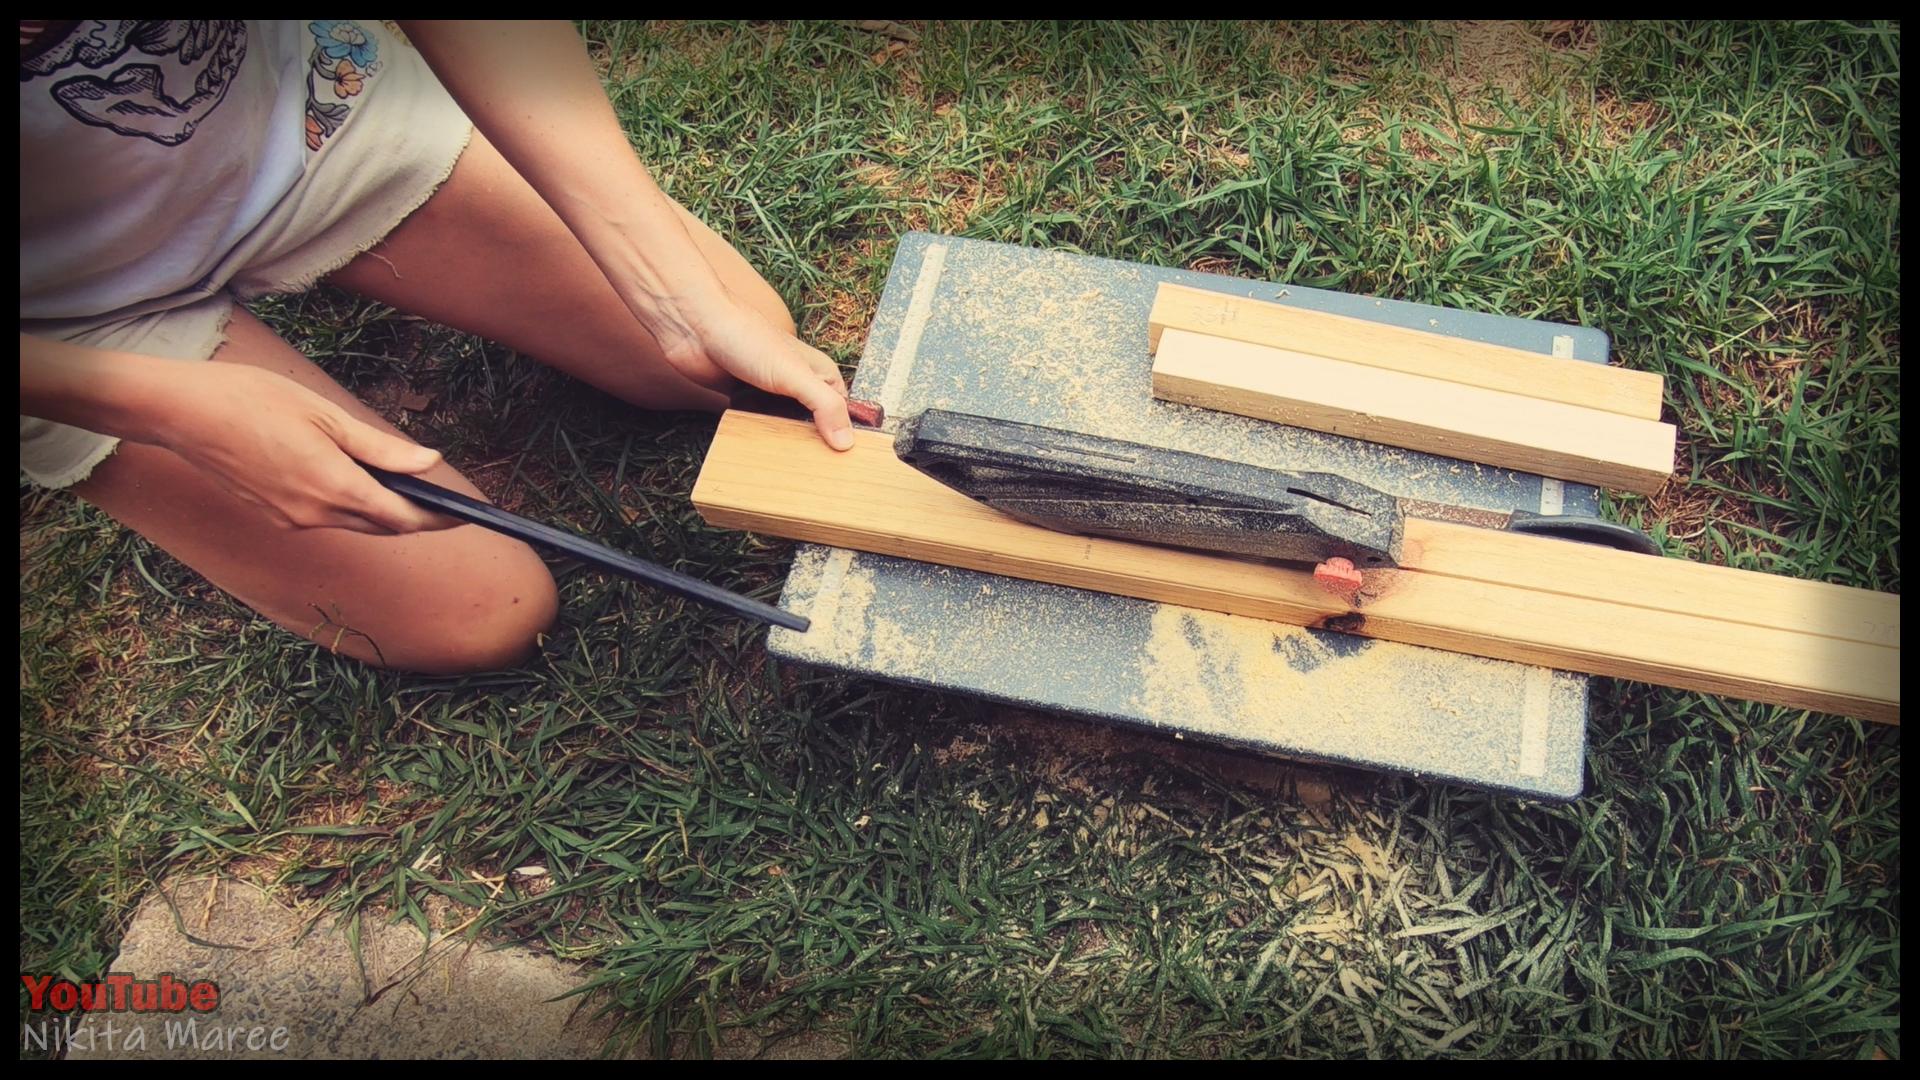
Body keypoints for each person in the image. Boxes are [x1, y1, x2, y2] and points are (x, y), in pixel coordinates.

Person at [20, 20, 857, 673]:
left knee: (737, 339)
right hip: (61, 316)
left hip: (304, 114)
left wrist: (679, 298)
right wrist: (164, 406)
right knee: (485, 609)